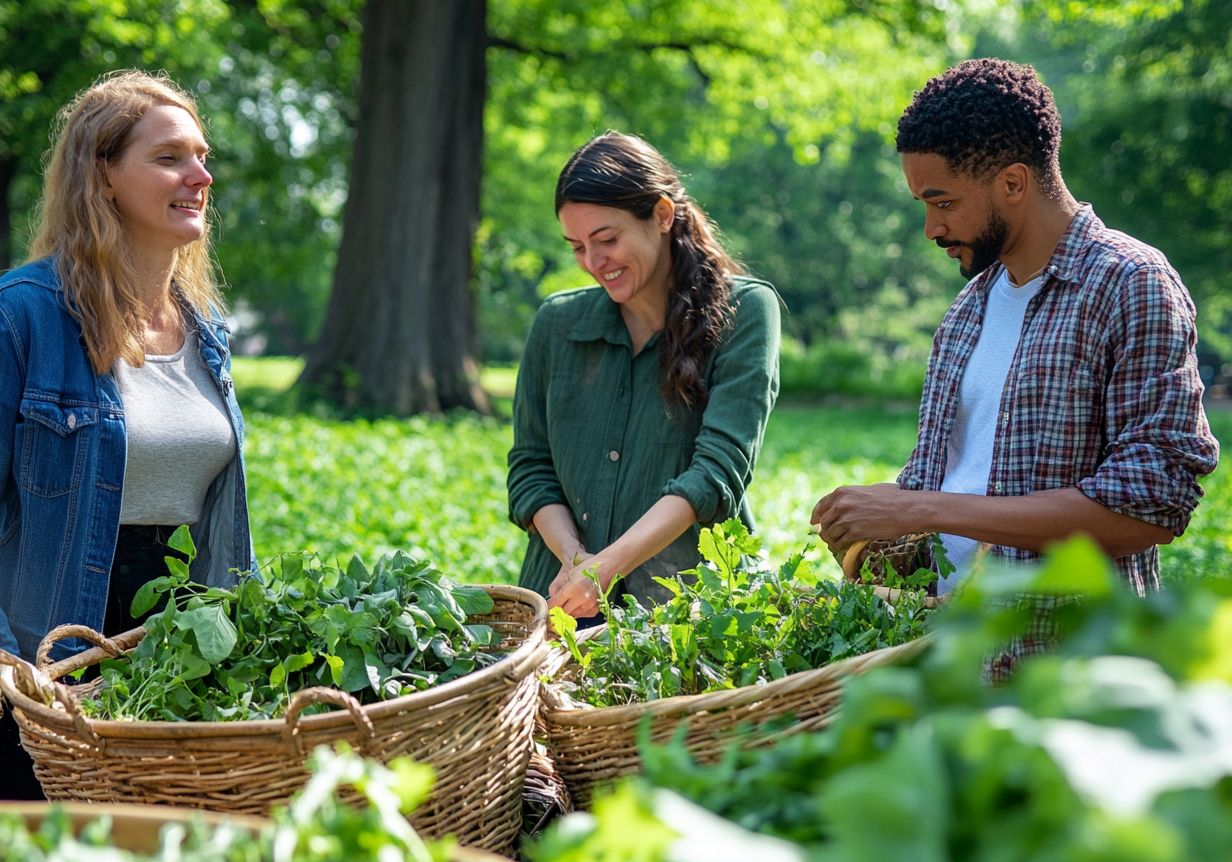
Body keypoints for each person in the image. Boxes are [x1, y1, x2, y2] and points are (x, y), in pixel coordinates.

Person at [811, 58, 1219, 669]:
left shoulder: (1131, 283)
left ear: (1013, 182)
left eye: (942, 201)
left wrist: (919, 509)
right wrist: (880, 523)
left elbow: (1151, 505)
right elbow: (958, 479)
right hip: (952, 667)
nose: (931, 227)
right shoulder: (967, 310)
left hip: (1071, 676)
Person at [0, 70, 255, 798]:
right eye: (171, 157)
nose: (200, 175)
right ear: (102, 175)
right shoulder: (23, 315)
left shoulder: (206, 332)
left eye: (203, 157)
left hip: (173, 655)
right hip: (44, 651)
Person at [508, 131, 782, 622]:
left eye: (607, 240)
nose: (593, 263)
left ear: (660, 214)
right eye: (577, 247)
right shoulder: (556, 323)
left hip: (690, 618)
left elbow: (716, 474)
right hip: (562, 609)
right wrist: (576, 561)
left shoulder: (745, 311)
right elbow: (531, 467)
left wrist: (606, 567)